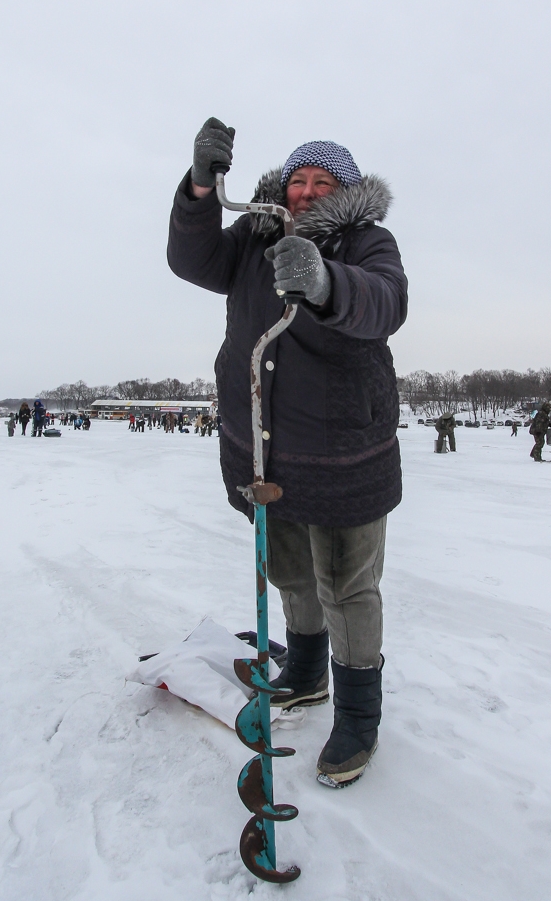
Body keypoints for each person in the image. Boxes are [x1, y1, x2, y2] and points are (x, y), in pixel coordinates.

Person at [168, 118, 408, 787]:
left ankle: (358, 714)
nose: (305, 192)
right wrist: (198, 188)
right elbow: (192, 261)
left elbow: (385, 302)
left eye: (321, 182)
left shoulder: (367, 242)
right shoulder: (253, 235)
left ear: (344, 191)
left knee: (346, 588)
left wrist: (327, 281)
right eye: (297, 179)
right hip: (262, 450)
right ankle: (304, 672)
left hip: (341, 451)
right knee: (288, 571)